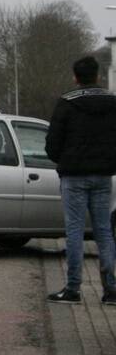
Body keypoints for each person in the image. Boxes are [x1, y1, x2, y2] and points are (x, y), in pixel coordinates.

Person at [45, 55, 116, 306]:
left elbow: (52, 144)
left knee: (74, 231)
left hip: (73, 175)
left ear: (75, 78)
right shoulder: (112, 103)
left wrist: (62, 159)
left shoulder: (66, 103)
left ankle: (73, 288)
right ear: (98, 76)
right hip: (103, 176)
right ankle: (111, 290)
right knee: (104, 232)